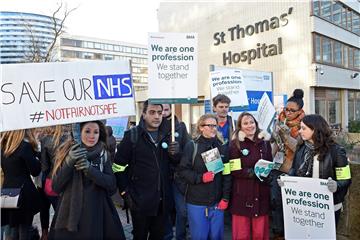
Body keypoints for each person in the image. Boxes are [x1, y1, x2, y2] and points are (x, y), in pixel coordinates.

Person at [114, 100, 180, 239]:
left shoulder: (169, 135)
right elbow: (118, 167)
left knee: (158, 236)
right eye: (152, 112)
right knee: (140, 236)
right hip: (140, 201)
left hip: (162, 202)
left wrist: (176, 154)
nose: (156, 116)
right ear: (143, 114)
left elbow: (174, 165)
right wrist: (125, 193)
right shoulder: (132, 136)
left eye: (159, 113)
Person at [49, 121, 125, 240]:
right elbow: (56, 187)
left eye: (96, 132)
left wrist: (90, 170)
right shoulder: (66, 152)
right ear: (79, 132)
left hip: (98, 214)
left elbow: (111, 186)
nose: (92, 136)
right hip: (70, 215)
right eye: (87, 131)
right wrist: (69, 162)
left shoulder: (103, 154)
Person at [285, 114, 351, 226]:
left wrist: (336, 185)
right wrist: (287, 180)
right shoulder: (301, 148)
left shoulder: (337, 151)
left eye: (304, 128)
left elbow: (346, 179)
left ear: (315, 129)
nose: (300, 131)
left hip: (328, 206)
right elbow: (294, 170)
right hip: (304, 205)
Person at [179, 114, 231, 240]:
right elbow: (182, 171)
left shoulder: (222, 147)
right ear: (201, 127)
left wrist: (225, 198)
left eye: (215, 125)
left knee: (216, 236)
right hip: (196, 202)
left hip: (217, 203)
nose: (213, 128)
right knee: (199, 236)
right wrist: (201, 177)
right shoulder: (192, 146)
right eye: (210, 125)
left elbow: (227, 175)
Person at [229, 112, 272, 240]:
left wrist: (267, 172)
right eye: (245, 123)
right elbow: (234, 170)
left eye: (252, 122)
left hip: (261, 192)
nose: (249, 126)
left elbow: (269, 163)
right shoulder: (235, 144)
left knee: (260, 233)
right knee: (242, 234)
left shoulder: (265, 142)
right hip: (242, 194)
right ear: (240, 126)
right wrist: (254, 173)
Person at [270, 89, 305, 239]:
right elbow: (275, 144)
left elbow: (296, 147)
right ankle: (278, 232)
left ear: (299, 111)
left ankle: (291, 233)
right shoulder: (280, 120)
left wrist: (285, 134)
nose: (288, 112)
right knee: (275, 202)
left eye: (292, 110)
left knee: (290, 205)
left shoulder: (304, 124)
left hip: (292, 170)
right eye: (286, 109)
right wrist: (274, 135)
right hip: (277, 167)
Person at [1, 129, 42, 240]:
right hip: (23, 193)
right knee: (24, 229)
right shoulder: (24, 147)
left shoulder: (4, 148)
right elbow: (35, 170)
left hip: (7, 192)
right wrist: (38, 159)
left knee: (13, 228)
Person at [162, 104, 190, 240]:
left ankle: (180, 236)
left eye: (166, 109)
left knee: (182, 211)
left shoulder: (180, 126)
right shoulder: (153, 128)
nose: (163, 113)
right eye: (160, 110)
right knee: (164, 210)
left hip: (177, 177)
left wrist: (177, 154)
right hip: (161, 177)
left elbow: (188, 152)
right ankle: (167, 235)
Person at [39, 125, 69, 240]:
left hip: (50, 180)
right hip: (65, 181)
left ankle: (45, 234)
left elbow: (44, 166)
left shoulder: (45, 139)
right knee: (61, 211)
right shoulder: (70, 139)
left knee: (44, 208)